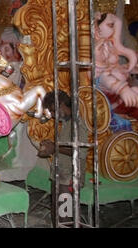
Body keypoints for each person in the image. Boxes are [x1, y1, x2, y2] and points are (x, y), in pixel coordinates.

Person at [37, 90, 89, 227]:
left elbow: (80, 151)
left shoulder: (77, 124)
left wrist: (55, 148)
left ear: (61, 104)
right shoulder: (67, 124)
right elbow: (65, 148)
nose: (53, 115)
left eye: (53, 111)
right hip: (62, 176)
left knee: (65, 217)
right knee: (59, 215)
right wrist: (51, 146)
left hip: (70, 177)